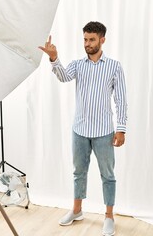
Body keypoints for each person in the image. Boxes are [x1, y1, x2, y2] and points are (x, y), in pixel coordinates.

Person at [38, 21, 127, 236]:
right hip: (79, 130)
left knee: (107, 174)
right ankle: (77, 211)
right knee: (79, 172)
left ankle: (108, 216)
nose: (87, 44)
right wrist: (53, 58)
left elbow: (121, 100)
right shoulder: (78, 64)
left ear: (102, 40)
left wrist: (121, 129)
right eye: (85, 39)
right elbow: (63, 76)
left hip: (104, 131)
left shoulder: (114, 66)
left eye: (92, 39)